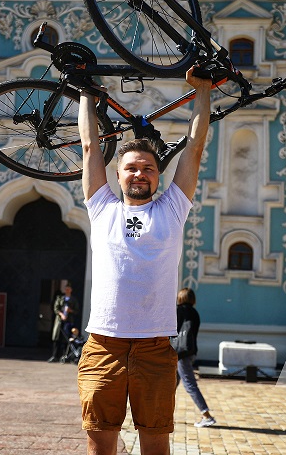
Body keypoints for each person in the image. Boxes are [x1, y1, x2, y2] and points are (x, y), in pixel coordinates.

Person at [76, 66, 212, 455]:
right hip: (104, 344)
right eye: (131, 168)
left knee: (155, 443)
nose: (140, 173)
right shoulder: (101, 207)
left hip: (155, 347)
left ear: (158, 176)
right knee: (100, 441)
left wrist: (202, 91)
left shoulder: (172, 209)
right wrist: (87, 93)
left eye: (148, 168)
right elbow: (89, 145)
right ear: (117, 175)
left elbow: (195, 149)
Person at [175, 287, 216, 428]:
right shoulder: (195, 313)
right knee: (171, 384)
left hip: (181, 354)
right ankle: (162, 413)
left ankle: (207, 416)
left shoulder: (179, 311)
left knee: (189, 384)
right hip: (190, 352)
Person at [48, 282, 79, 363]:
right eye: (66, 289)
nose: (67, 290)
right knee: (56, 337)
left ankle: (65, 356)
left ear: (71, 290)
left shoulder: (73, 299)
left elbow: (76, 311)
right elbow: (55, 308)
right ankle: (54, 356)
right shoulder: (60, 298)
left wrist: (70, 310)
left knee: (66, 339)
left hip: (69, 321)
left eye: (68, 289)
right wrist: (61, 314)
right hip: (59, 321)